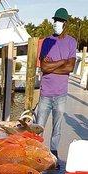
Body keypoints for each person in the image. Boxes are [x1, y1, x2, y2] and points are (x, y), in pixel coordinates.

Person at [37, 8, 77, 164]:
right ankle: (38, 155)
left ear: (65, 23)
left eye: (59, 21)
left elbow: (70, 68)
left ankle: (53, 155)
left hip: (61, 94)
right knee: (38, 127)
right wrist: (62, 61)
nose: (56, 23)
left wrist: (52, 65)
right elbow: (44, 68)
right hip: (45, 93)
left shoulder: (72, 42)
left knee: (57, 129)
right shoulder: (47, 41)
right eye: (55, 20)